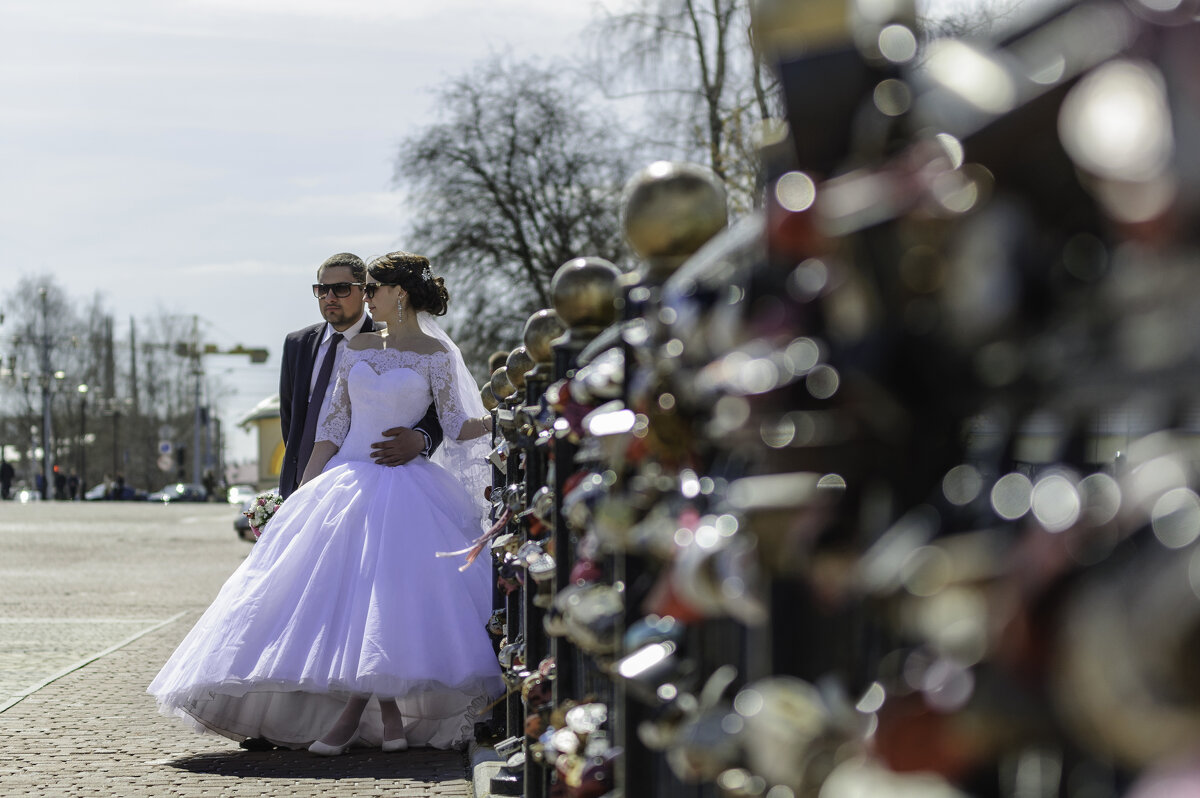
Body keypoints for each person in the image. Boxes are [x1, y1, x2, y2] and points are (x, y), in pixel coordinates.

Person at [148, 252, 500, 755]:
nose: (365, 296)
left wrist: (499, 419)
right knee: (341, 602)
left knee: (384, 604)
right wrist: (301, 496)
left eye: (372, 288)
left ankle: (362, 718)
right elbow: (331, 429)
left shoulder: (435, 355)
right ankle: (386, 721)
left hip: (405, 489)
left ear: (397, 295)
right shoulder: (356, 348)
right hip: (344, 485)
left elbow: (456, 423)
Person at [278, 252, 444, 499]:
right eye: (322, 289)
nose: (329, 297)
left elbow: (437, 409)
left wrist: (421, 439)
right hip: (304, 480)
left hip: (374, 481)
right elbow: (290, 418)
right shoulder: (297, 343)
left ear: (364, 291)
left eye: (341, 288)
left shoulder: (398, 340)